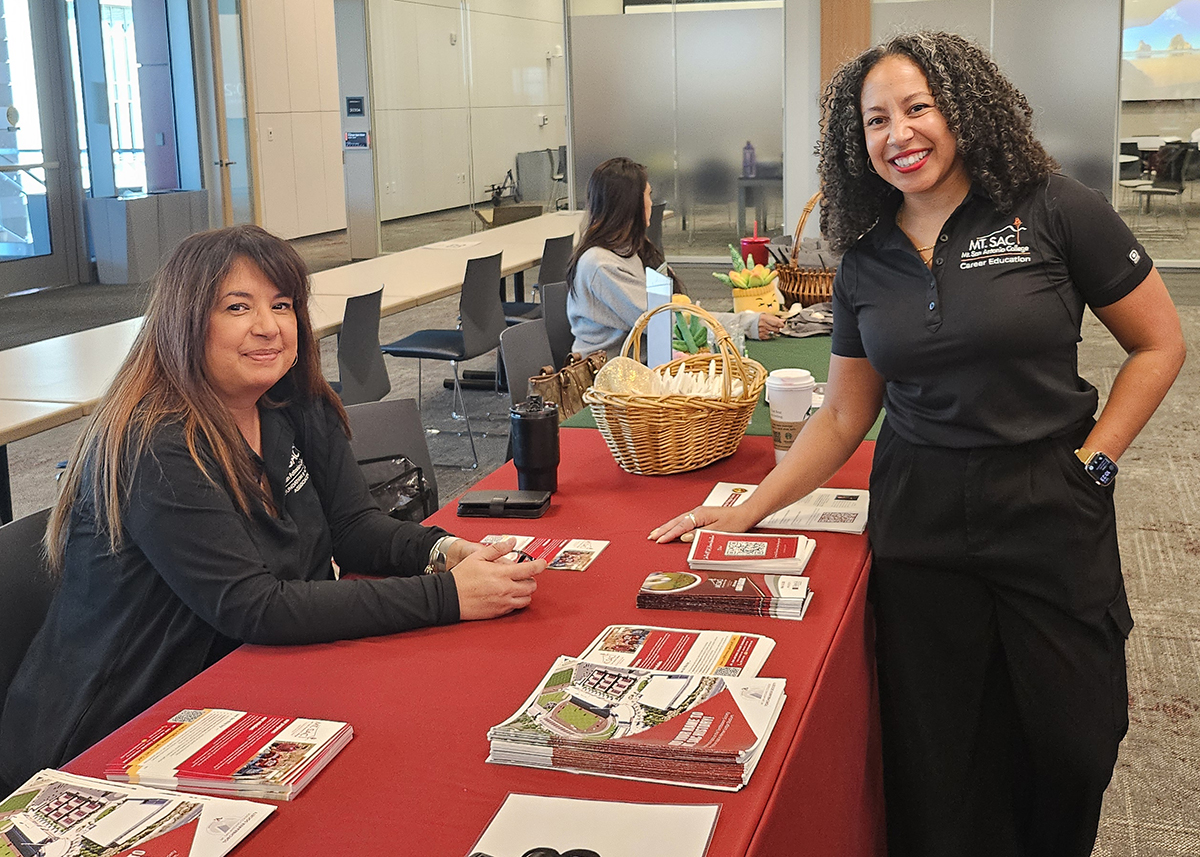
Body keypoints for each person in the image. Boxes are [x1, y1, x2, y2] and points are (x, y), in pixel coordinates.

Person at [650, 31, 1185, 857]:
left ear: (962, 110)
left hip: (1049, 501)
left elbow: (1160, 344)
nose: (898, 134)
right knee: (941, 753)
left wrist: (1097, 461)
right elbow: (840, 416)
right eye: (875, 121)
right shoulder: (865, 259)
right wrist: (745, 511)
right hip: (921, 516)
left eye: (917, 108)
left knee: (1076, 738)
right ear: (854, 141)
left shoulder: (1051, 206)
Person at [0, 225, 545, 792]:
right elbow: (253, 607)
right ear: (184, 322)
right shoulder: (156, 443)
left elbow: (354, 527)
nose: (269, 326)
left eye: (282, 305)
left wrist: (444, 552)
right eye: (238, 306)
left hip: (246, 687)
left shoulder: (290, 400)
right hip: (121, 731)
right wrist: (449, 597)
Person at [566, 157, 784, 358]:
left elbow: (672, 315)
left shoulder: (629, 250)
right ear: (630, 204)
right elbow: (666, 322)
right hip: (611, 382)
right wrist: (744, 323)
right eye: (648, 195)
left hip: (644, 366)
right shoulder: (600, 264)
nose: (652, 203)